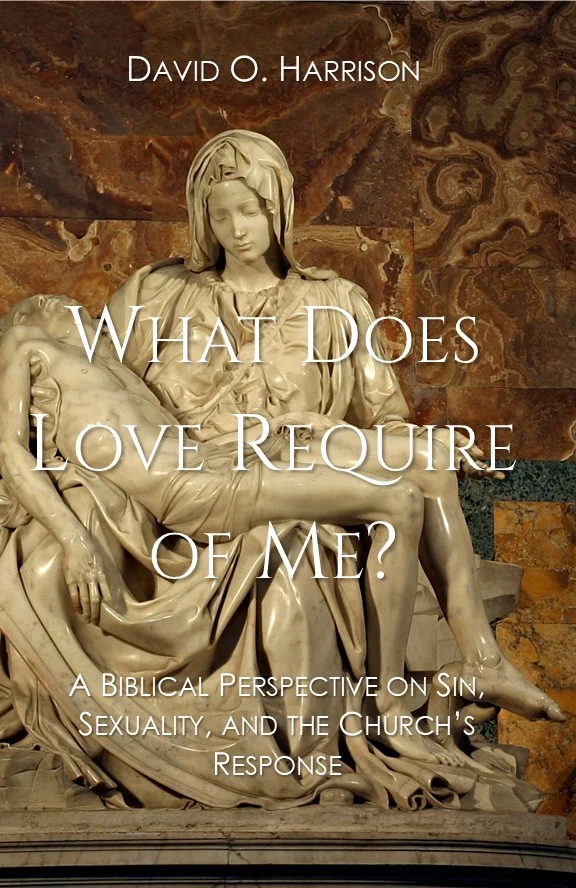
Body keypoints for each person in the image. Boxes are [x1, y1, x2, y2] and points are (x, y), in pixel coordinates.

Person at [108, 129, 563, 726]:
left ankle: (481, 660)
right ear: (203, 221)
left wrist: (416, 438)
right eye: (221, 215)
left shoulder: (337, 301)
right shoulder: (158, 294)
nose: (237, 229)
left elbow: (384, 417)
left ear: (279, 209)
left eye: (251, 210)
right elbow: (96, 391)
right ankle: (398, 694)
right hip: (206, 473)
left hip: (303, 454)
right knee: (400, 485)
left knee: (428, 460)